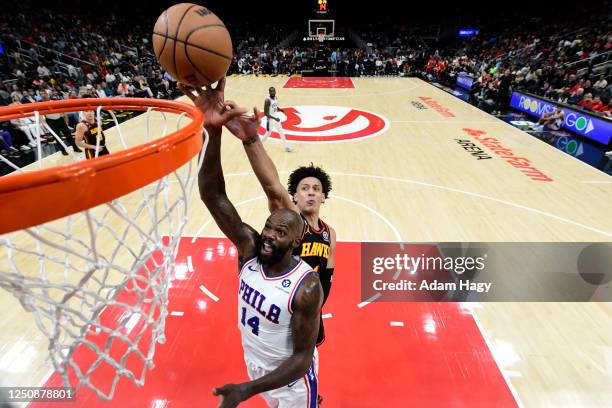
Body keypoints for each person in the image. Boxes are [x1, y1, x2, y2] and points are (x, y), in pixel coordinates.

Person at [180, 79, 323, 408]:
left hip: (292, 384)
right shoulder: (250, 251)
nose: (270, 234)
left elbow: (302, 359)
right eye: (269, 226)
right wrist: (211, 132)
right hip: (259, 369)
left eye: (280, 232)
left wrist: (248, 389)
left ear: (297, 240)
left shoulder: (306, 287)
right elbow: (213, 195)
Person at [262, 87, 294, 152]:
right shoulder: (267, 100)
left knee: (281, 132)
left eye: (273, 91)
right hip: (270, 119)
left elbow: (275, 107)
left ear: (275, 92)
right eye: (271, 91)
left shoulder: (276, 97)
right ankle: (259, 146)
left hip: (276, 117)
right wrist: (274, 118)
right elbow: (266, 113)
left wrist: (281, 110)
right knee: (268, 133)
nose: (272, 92)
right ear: (269, 92)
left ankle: (287, 147)